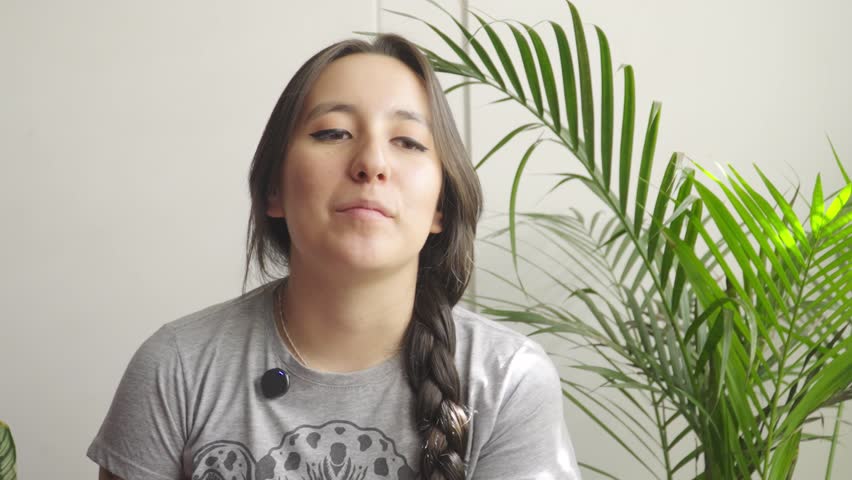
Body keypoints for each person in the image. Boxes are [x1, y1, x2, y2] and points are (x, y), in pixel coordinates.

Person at [87, 33, 581, 480]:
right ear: (273, 190)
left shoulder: (507, 380)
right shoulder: (176, 367)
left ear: (441, 208)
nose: (371, 163)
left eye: (408, 141)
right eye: (333, 133)